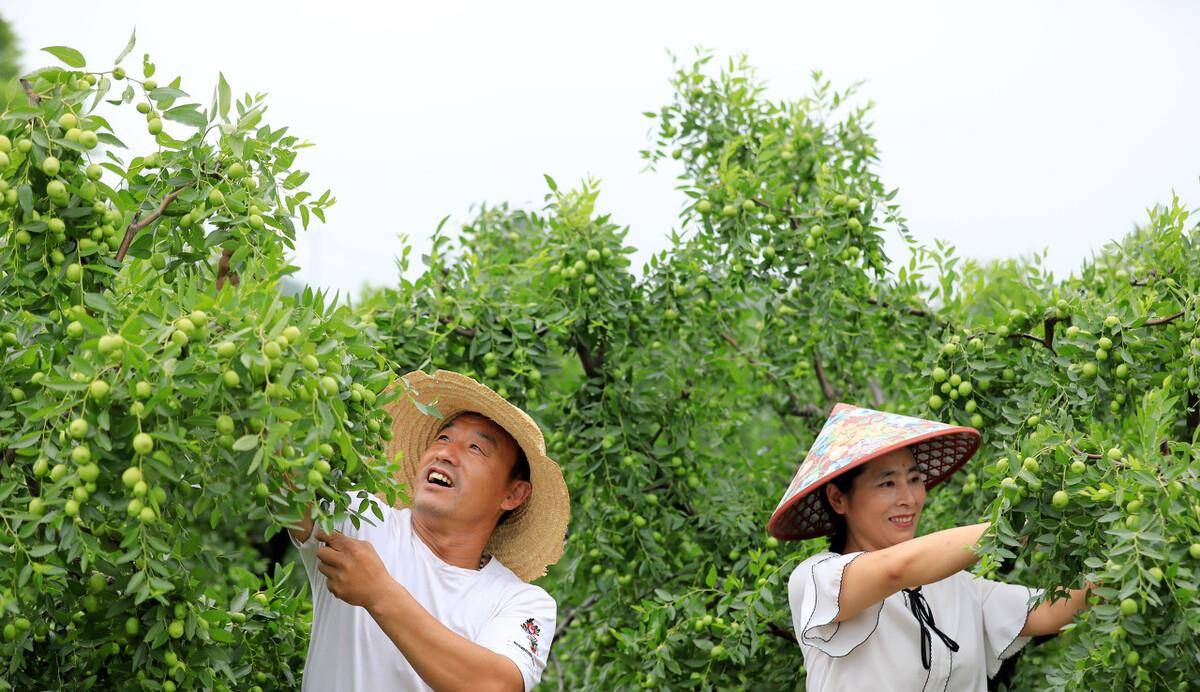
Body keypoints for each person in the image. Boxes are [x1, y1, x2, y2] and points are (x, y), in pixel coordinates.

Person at [766, 403, 1092, 691]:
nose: (909, 499)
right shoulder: (816, 581)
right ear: (839, 498)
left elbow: (1047, 611)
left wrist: (1120, 564)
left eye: (914, 479)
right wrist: (1019, 525)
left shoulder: (957, 585)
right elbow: (896, 569)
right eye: (887, 483)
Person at [287, 369, 570, 691]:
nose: (445, 453)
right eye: (443, 437)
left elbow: (494, 686)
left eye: (476, 448)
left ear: (513, 494)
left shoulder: (521, 602)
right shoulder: (357, 519)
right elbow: (283, 479)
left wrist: (379, 593)